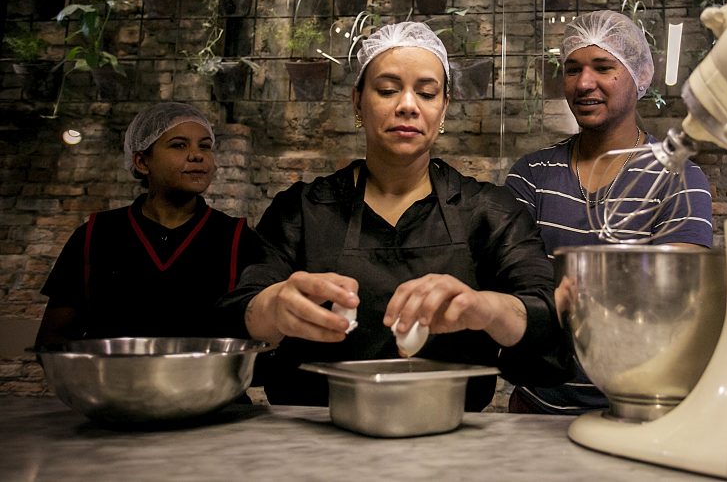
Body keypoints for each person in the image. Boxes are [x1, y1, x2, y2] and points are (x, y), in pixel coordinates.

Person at [219, 22, 567, 407]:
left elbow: (547, 321)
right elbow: (234, 321)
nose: (407, 104)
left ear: (444, 107)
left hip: (454, 438)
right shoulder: (301, 211)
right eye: (387, 90)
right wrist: (272, 309)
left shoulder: (490, 212)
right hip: (313, 437)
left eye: (427, 92)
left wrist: (488, 308)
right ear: (357, 102)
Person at [503, 10, 714, 414]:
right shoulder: (531, 175)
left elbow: (677, 301)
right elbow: (515, 286)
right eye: (572, 69)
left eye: (603, 67)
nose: (584, 83)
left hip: (637, 410)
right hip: (536, 406)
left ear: (638, 75)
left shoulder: (678, 179)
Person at [36, 102, 262, 345]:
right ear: (142, 162)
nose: (197, 155)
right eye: (179, 145)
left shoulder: (236, 238)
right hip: (113, 381)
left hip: (204, 381)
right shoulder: (97, 234)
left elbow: (255, 334)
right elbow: (53, 337)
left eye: (205, 146)